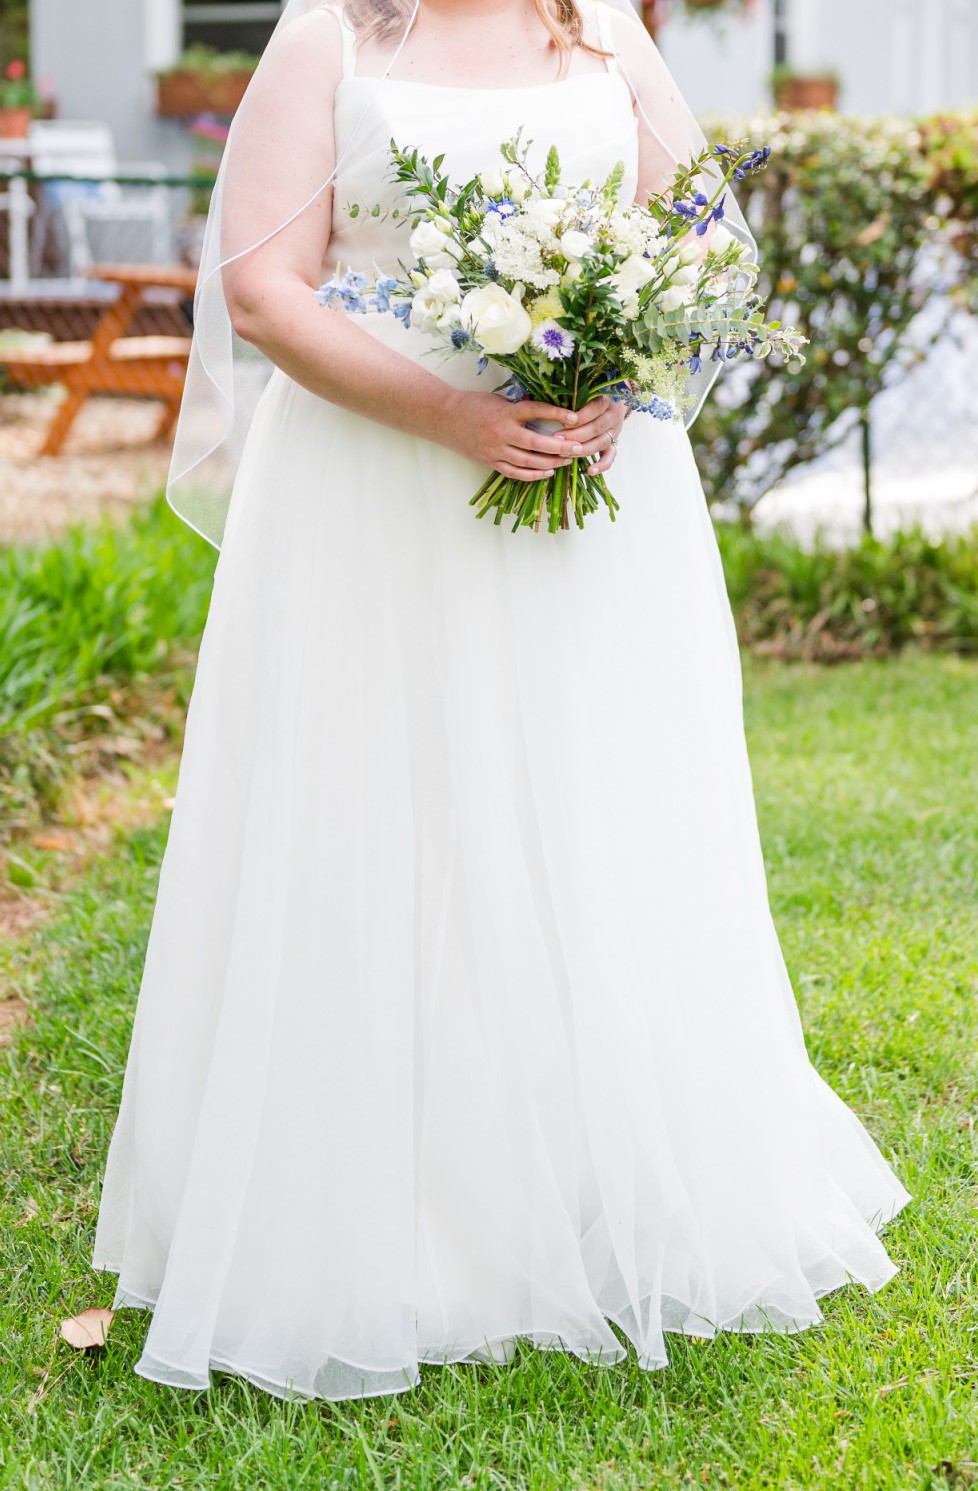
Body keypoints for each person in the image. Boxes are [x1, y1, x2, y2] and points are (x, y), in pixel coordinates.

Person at [91, 0, 911, 1403]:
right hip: (373, 495)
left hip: (596, 502)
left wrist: (616, 362)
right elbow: (264, 290)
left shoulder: (598, 30)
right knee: (382, 816)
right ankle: (383, 1212)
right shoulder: (329, 36)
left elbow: (707, 239)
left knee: (593, 814)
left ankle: (594, 1190)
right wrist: (456, 416)